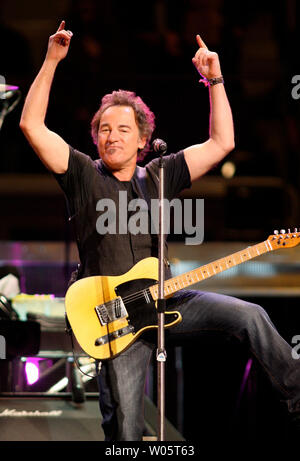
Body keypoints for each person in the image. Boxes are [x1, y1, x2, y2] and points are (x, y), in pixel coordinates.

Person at [20, 21, 300, 443]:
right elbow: (31, 126)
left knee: (252, 316)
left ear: (143, 141)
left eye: (123, 130)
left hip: (168, 297)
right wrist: (51, 61)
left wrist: (215, 80)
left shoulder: (160, 174)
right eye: (104, 129)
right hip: (115, 318)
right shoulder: (81, 173)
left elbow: (222, 142)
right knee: (128, 431)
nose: (111, 136)